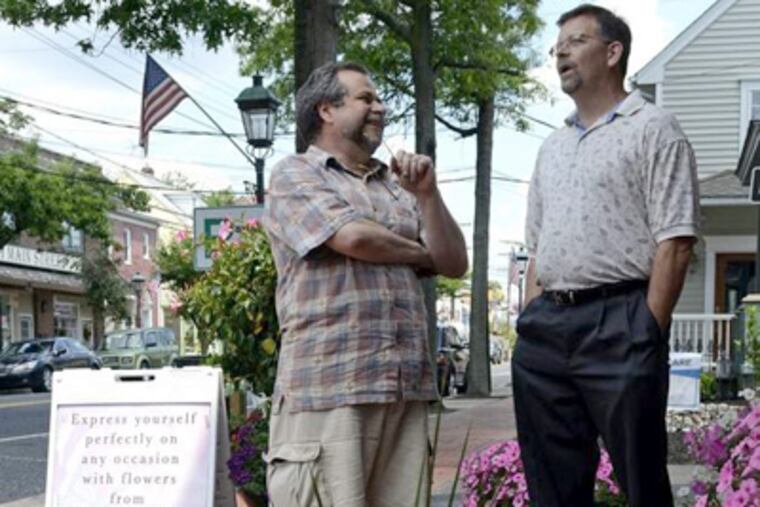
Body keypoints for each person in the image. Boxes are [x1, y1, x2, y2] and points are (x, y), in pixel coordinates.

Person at [513, 5, 700, 507]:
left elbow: (676, 240)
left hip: (621, 323)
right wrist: (531, 318)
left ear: (612, 52)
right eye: (557, 47)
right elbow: (538, 246)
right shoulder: (552, 145)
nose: (560, 53)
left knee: (641, 483)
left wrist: (647, 331)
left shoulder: (654, 127)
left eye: (575, 41)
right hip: (546, 329)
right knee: (551, 486)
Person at [262, 61, 467, 506]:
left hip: (404, 389)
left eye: (378, 99)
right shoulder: (295, 174)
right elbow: (353, 237)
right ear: (326, 111)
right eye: (365, 98)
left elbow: (454, 262)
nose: (380, 107)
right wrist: (419, 252)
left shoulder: (399, 186)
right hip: (328, 391)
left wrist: (428, 195)